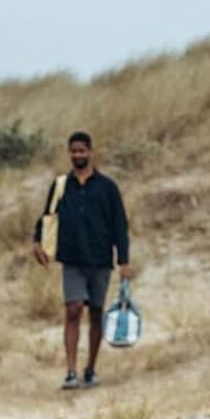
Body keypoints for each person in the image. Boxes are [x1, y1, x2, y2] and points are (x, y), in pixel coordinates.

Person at [32, 131, 133, 390]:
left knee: (96, 312)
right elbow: (47, 215)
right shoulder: (61, 185)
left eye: (82, 151)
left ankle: (91, 369)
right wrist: (37, 241)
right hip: (72, 258)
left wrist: (123, 261)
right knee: (73, 309)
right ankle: (70, 371)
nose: (78, 155)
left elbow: (119, 225)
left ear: (90, 152)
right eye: (74, 151)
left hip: (100, 259)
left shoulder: (107, 187)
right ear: (69, 153)